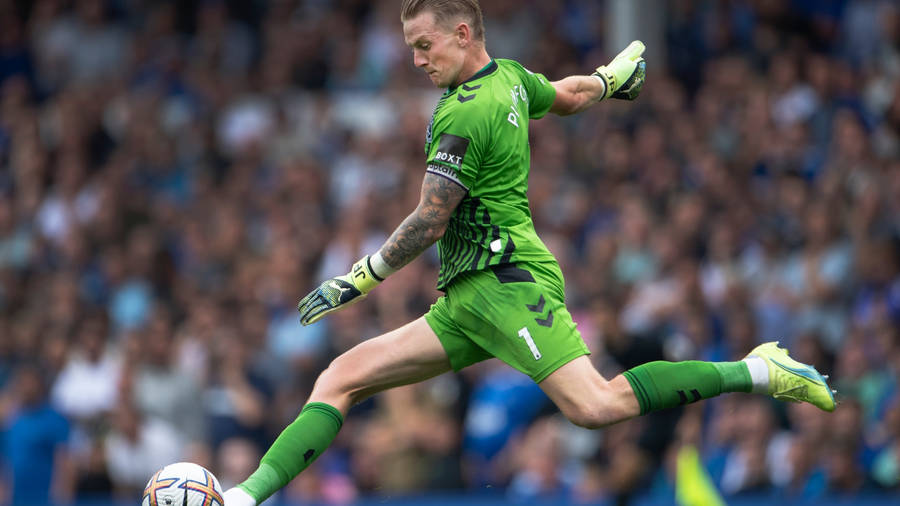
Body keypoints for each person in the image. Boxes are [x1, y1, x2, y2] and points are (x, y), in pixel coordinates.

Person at [223, 1, 835, 503]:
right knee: (340, 378)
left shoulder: (468, 110)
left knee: (595, 406)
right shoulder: (510, 77)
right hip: (467, 299)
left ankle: (758, 370)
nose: (415, 60)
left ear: (462, 34)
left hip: (506, 282)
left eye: (423, 44)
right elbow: (562, 97)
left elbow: (430, 220)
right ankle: (244, 497)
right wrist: (606, 81)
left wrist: (355, 280)